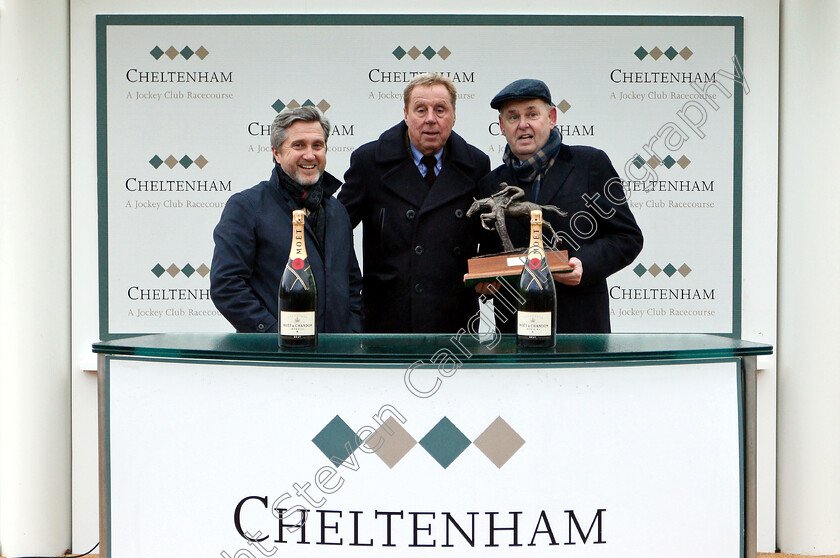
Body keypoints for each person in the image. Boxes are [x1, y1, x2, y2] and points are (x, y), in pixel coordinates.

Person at [478, 78, 643, 333]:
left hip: (580, 332)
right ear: (501, 126)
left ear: (552, 117)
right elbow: (490, 253)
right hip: (515, 334)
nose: (523, 125)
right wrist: (485, 279)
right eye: (512, 117)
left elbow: (627, 237)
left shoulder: (590, 164)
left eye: (532, 114)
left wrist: (584, 265)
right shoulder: (491, 184)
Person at [339, 72, 490, 333]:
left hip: (454, 321)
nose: (430, 119)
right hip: (386, 320)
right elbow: (336, 229)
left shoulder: (477, 164)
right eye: (421, 109)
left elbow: (488, 237)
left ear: (453, 115)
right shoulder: (369, 162)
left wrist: (486, 273)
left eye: (440, 109)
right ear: (406, 115)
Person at [210, 106, 362, 333]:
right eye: (298, 145)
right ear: (276, 153)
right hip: (275, 361)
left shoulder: (337, 210)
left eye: (317, 146)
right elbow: (227, 286)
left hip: (336, 359)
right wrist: (273, 336)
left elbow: (351, 285)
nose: (310, 155)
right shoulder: (247, 206)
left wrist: (351, 333)